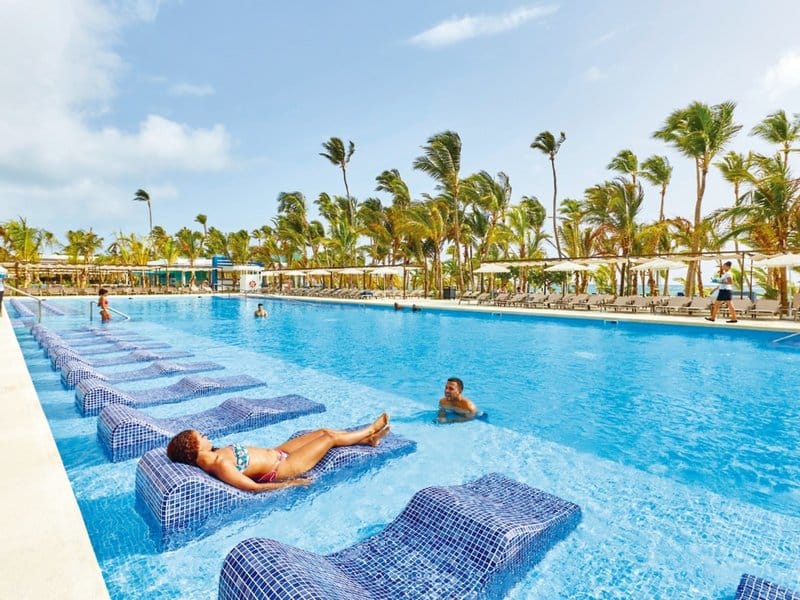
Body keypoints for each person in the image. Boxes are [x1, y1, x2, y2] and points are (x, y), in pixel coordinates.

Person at [166, 413, 391, 492]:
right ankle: (370, 429)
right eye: (200, 436)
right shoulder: (219, 465)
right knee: (329, 438)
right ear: (193, 447)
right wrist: (291, 483)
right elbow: (253, 487)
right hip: (283, 467)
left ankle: (368, 440)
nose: (205, 435)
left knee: (323, 431)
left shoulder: (216, 455)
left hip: (278, 452)